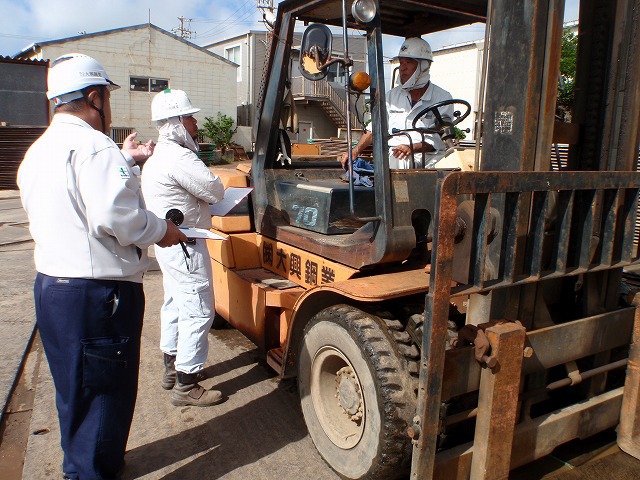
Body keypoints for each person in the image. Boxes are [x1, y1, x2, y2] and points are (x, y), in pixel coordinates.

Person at [17, 53, 186, 480]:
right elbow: (117, 218)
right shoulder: (94, 146)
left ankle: (89, 463)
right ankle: (90, 471)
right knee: (104, 395)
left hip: (53, 288)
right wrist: (162, 229)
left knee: (76, 392)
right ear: (94, 97)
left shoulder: (39, 150)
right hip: (97, 296)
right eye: (107, 97)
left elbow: (78, 198)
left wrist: (124, 162)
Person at [141, 88, 225, 407]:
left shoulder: (158, 157)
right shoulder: (179, 156)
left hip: (168, 245)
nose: (195, 123)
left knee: (175, 303)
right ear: (176, 122)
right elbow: (213, 189)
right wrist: (210, 196)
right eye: (190, 117)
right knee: (199, 308)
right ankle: (186, 385)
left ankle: (170, 368)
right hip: (185, 243)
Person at [342, 37, 454, 169]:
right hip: (398, 156)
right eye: (401, 63)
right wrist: (355, 150)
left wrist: (412, 147)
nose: (402, 68)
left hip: (431, 158)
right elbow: (374, 128)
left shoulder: (443, 98)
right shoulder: (391, 96)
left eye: (409, 62)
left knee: (454, 164)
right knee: (399, 159)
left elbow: (440, 138)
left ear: (424, 66)